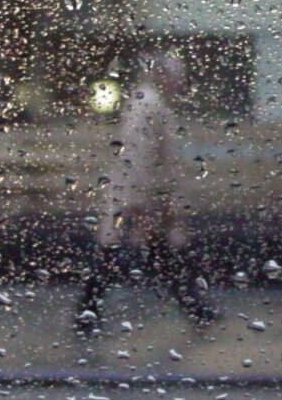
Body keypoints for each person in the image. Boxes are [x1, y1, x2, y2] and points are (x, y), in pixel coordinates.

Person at [74, 50, 217, 335]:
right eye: (177, 77)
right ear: (162, 76)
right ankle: (87, 312)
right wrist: (139, 204)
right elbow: (138, 157)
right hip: (135, 197)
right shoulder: (147, 104)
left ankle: (194, 307)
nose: (180, 84)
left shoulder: (153, 103)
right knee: (118, 255)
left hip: (146, 195)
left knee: (156, 254)